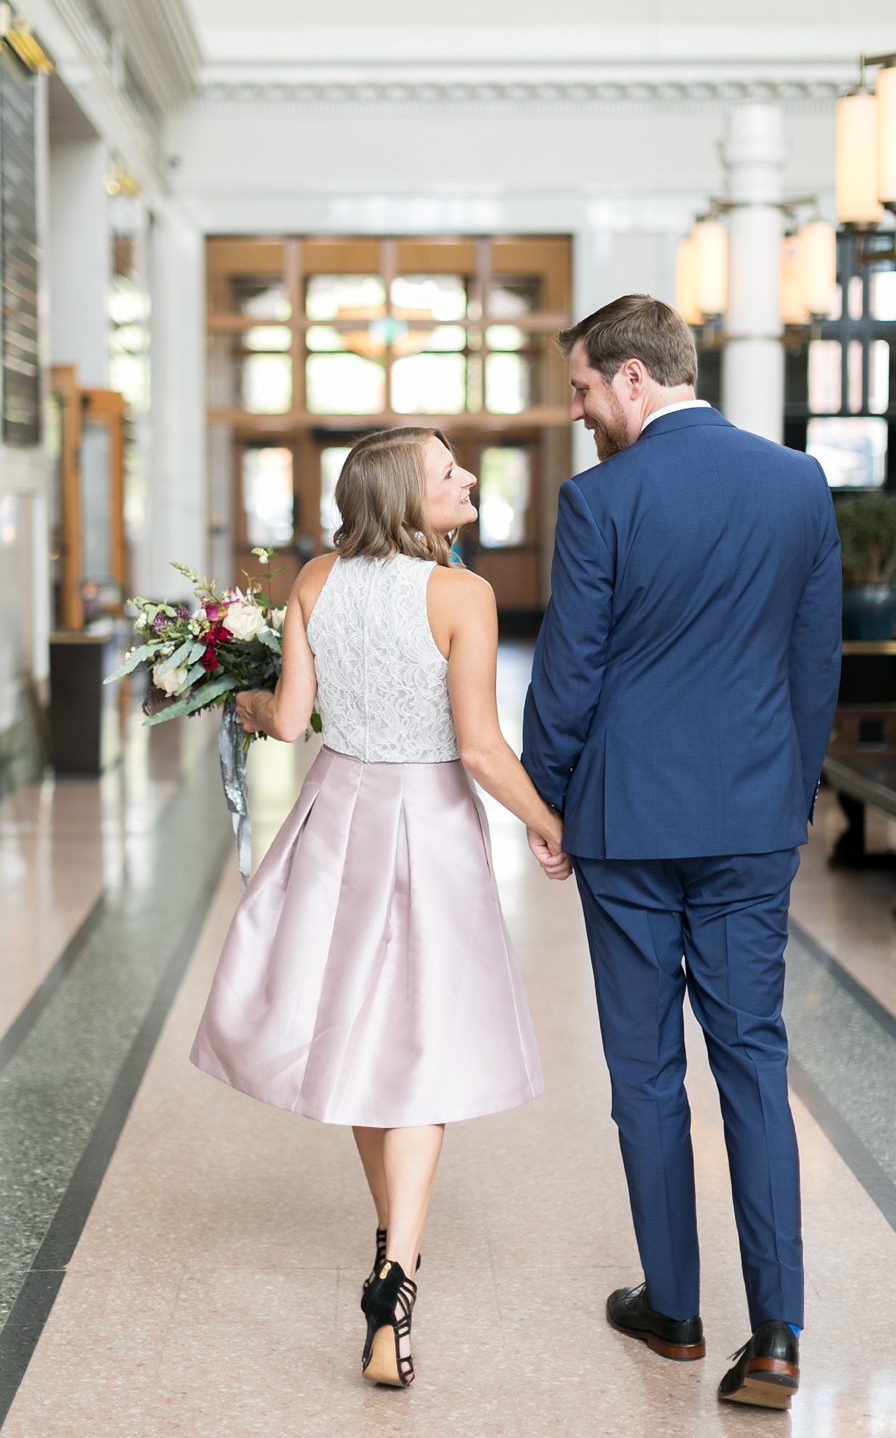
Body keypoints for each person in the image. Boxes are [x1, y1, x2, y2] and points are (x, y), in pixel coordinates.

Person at [192, 426, 562, 1389]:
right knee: (422, 1046)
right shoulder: (464, 595)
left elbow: (285, 718)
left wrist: (238, 701)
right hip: (426, 823)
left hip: (336, 816)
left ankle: (394, 1251)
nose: (468, 476)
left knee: (358, 1037)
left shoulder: (314, 579)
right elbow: (480, 749)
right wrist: (547, 822)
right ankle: (396, 1275)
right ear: (407, 496)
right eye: (449, 471)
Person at [523, 294, 839, 1413]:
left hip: (625, 822)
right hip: (751, 819)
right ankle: (777, 1334)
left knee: (647, 1071)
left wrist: (541, 797)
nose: (577, 414)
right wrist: (786, 795)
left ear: (631, 379)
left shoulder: (601, 499)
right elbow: (813, 662)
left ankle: (670, 1306)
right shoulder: (796, 484)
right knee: (751, 1059)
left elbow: (568, 674)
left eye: (580, 391)